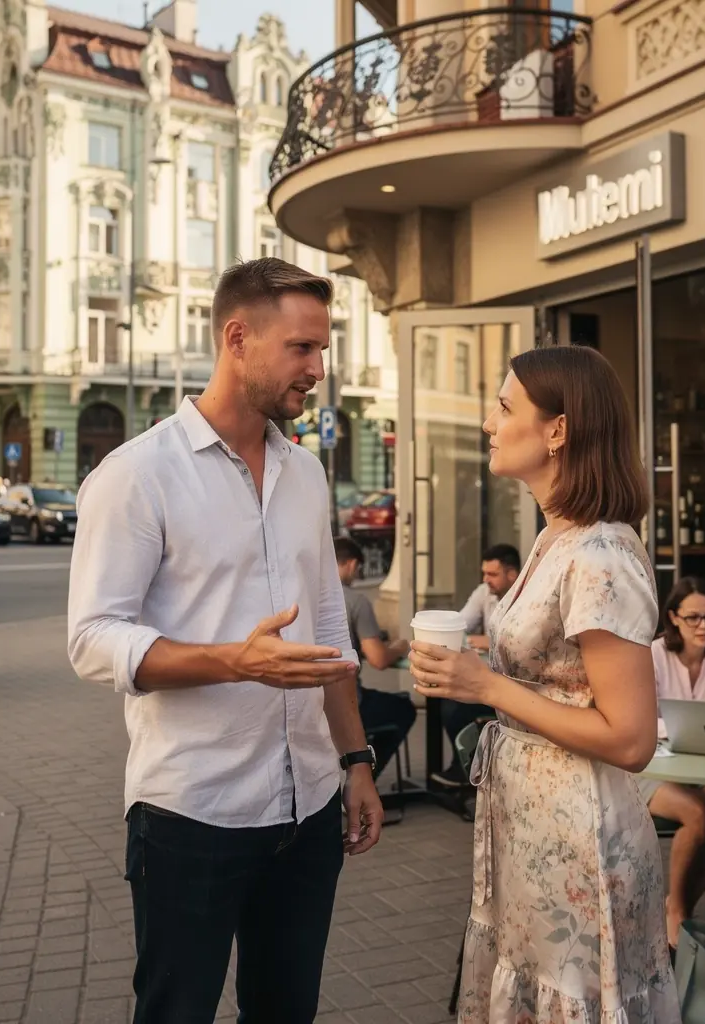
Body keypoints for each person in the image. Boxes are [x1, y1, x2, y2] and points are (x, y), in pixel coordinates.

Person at [67, 257, 383, 1024]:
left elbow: (328, 627)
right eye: (302, 349)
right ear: (237, 338)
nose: (318, 368)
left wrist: (357, 761)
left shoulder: (306, 472)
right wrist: (233, 661)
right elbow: (91, 638)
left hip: (307, 810)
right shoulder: (136, 475)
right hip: (192, 814)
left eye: (324, 348)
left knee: (285, 1013)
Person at [409, 345, 680, 1023]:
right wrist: (472, 669)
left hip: (583, 834)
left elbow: (631, 738)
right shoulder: (553, 540)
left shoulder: (599, 553)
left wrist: (488, 687)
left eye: (505, 407)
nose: (489, 423)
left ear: (557, 429)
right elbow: (557, 680)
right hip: (536, 826)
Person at [638, 576, 705, 947]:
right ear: (673, 618)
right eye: (694, 618)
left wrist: (677, 726)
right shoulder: (654, 654)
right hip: (650, 765)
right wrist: (689, 727)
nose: (704, 626)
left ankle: (680, 903)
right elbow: (640, 721)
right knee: (700, 816)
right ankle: (677, 913)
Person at [432, 544, 522, 787]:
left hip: (514, 685)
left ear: (512, 574)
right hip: (487, 674)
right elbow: (461, 623)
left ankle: (470, 770)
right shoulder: (485, 592)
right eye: (484, 573)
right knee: (449, 700)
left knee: (455, 708)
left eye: (492, 574)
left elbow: (526, 644)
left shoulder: (527, 595)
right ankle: (465, 767)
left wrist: (491, 641)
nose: (486, 580)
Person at [335, 536, 415, 779]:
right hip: (349, 705)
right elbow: (378, 659)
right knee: (403, 708)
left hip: (311, 706)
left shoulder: (305, 595)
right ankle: (365, 778)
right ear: (351, 564)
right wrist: (400, 647)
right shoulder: (355, 601)